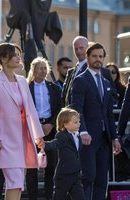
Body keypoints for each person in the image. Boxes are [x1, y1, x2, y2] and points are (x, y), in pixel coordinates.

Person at [0, 43, 45, 200]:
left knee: (18, 183)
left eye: (19, 54)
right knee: (15, 181)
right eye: (15, 54)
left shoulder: (22, 81)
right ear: (4, 59)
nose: (19, 57)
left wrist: (38, 135)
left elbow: (31, 110)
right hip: (4, 141)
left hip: (23, 139)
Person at [71, 42, 121, 200]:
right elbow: (76, 108)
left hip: (104, 139)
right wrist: (83, 131)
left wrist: (114, 138)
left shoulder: (106, 82)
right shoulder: (80, 80)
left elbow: (108, 113)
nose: (98, 59)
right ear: (87, 57)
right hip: (88, 137)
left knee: (102, 180)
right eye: (94, 56)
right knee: (88, 176)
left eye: (101, 56)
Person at [26, 57, 63, 200]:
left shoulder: (53, 87)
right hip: (32, 128)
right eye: (40, 68)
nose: (43, 70)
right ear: (33, 70)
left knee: (51, 166)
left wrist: (51, 124)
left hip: (50, 129)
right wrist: (35, 125)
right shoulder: (26, 87)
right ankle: (32, 197)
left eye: (44, 68)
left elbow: (60, 107)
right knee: (31, 167)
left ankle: (49, 197)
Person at [41, 107, 85, 200]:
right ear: (65, 124)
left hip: (75, 174)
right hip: (64, 175)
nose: (79, 124)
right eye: (75, 122)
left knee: (80, 197)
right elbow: (54, 143)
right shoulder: (62, 135)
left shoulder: (78, 135)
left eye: (79, 121)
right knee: (58, 197)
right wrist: (44, 144)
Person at [63, 36, 114, 107]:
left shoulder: (102, 71)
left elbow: (111, 94)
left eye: (81, 48)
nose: (78, 51)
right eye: (76, 49)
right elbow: (65, 95)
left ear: (88, 48)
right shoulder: (71, 71)